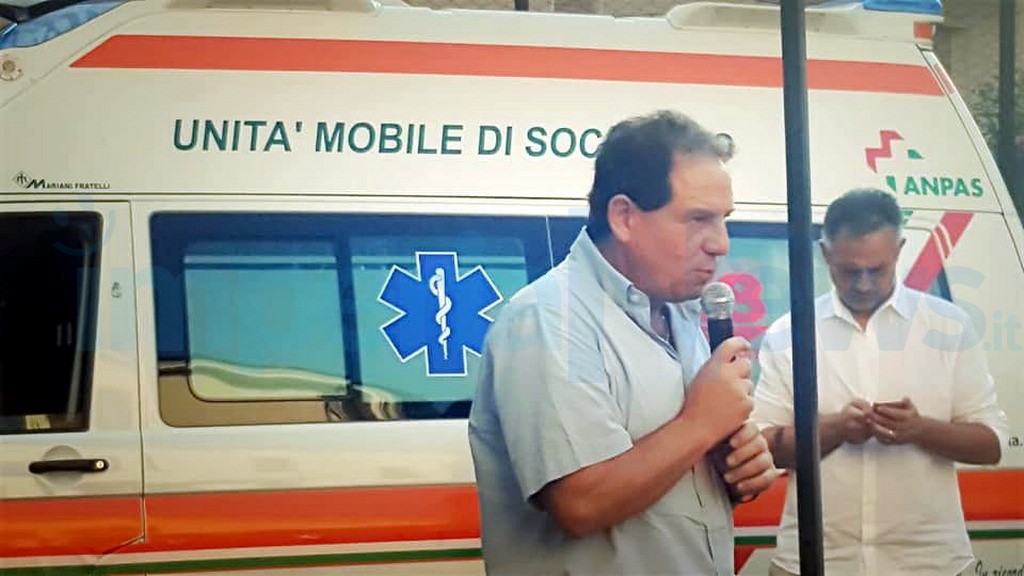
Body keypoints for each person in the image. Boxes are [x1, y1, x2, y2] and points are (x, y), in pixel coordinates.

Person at [468, 110, 779, 575]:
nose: (720, 243)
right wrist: (700, 423)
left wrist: (730, 468)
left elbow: (667, 483)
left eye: (723, 220)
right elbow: (581, 503)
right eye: (698, 219)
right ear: (624, 217)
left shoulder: (678, 312)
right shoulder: (550, 318)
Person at [753, 188, 1009, 576]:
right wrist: (835, 429)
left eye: (877, 269)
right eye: (849, 270)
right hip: (815, 561)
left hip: (928, 563)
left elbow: (991, 445)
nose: (863, 284)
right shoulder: (790, 333)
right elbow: (764, 448)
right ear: (825, 254)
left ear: (900, 250)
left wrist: (919, 430)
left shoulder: (948, 327)